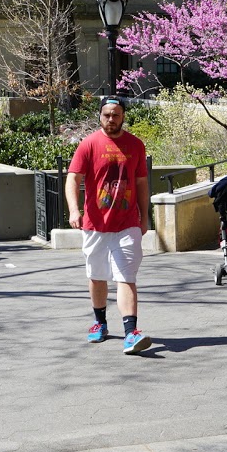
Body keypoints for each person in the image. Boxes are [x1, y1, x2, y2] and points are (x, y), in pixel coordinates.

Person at [65, 97, 152, 354]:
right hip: (95, 224)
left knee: (126, 276)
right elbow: (73, 179)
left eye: (115, 115)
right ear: (100, 115)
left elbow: (141, 184)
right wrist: (73, 209)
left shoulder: (135, 145)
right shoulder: (89, 144)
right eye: (106, 115)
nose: (111, 119)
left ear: (123, 116)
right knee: (98, 275)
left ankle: (131, 332)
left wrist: (143, 216)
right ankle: (99, 323)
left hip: (127, 224)